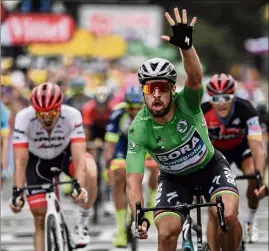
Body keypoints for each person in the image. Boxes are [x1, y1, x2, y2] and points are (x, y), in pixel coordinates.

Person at [126, 8, 242, 251]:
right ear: (143, 93)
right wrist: (138, 215)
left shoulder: (187, 103)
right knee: (166, 233)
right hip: (174, 179)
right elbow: (133, 179)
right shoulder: (139, 128)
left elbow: (196, 78)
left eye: (161, 87)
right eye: (150, 89)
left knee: (229, 217)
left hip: (210, 168)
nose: (156, 94)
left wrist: (186, 48)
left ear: (171, 89)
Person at [9, 82, 97, 251]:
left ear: (60, 108)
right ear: (34, 110)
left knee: (91, 169)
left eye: (52, 113)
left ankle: (82, 221)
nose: (47, 118)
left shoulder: (72, 115)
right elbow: (20, 161)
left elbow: (79, 155)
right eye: (41, 114)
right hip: (37, 162)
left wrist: (78, 184)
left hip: (64, 156)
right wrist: (17, 192)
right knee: (39, 218)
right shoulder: (23, 118)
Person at [202, 73, 266, 243]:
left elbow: (258, 148)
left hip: (241, 149)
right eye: (216, 98)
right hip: (217, 152)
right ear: (210, 99)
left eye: (226, 97)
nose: (221, 102)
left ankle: (250, 222)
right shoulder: (203, 112)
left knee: (253, 174)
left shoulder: (246, 109)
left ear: (234, 97)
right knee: (215, 193)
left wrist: (260, 178)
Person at [105, 86, 158, 247]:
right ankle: (121, 229)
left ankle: (150, 206)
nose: (134, 111)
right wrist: (108, 165)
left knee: (157, 171)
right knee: (119, 177)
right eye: (131, 108)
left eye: (137, 108)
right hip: (124, 147)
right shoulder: (118, 113)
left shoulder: (151, 113)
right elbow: (110, 143)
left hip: (146, 146)